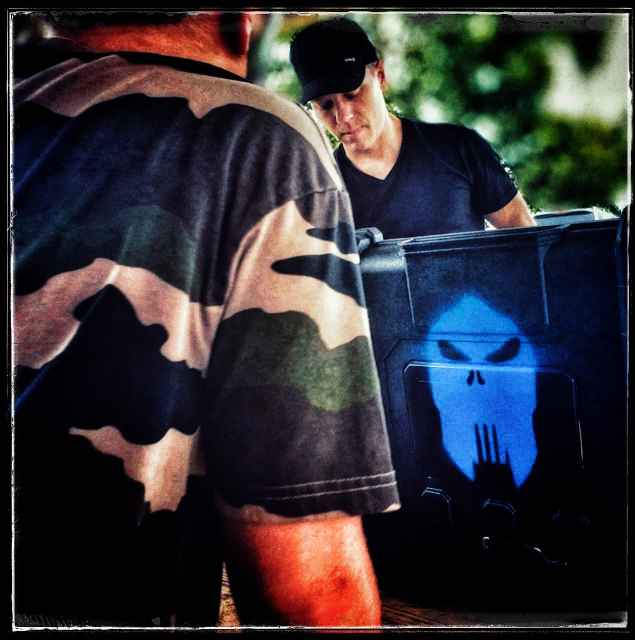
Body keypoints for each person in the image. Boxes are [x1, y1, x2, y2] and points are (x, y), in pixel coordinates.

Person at [12, 10, 399, 628]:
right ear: (242, 21)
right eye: (326, 102)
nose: (341, 115)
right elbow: (312, 594)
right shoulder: (254, 139)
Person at [289, 17, 536, 238]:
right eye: (326, 105)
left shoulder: (460, 148)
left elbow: (525, 238)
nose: (344, 117)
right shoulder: (322, 194)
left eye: (352, 94)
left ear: (380, 76)